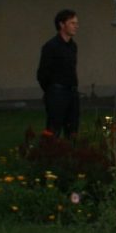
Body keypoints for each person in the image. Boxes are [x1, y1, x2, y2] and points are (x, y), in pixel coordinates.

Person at [37, 8, 80, 137]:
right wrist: (52, 90)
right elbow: (42, 73)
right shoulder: (51, 46)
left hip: (72, 92)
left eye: (76, 23)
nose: (76, 26)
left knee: (72, 128)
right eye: (72, 23)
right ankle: (51, 153)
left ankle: (71, 153)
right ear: (62, 24)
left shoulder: (73, 46)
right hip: (57, 93)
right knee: (53, 128)